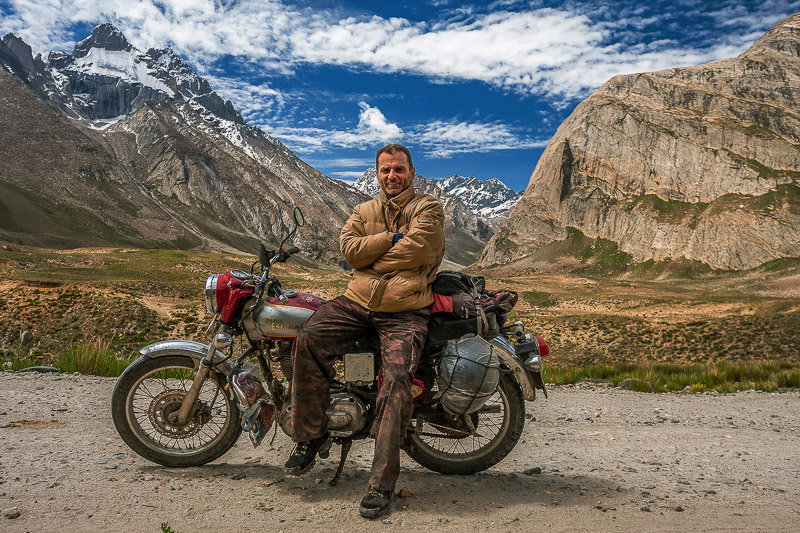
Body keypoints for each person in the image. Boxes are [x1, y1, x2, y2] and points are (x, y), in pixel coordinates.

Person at [285, 143, 445, 518]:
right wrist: (389, 240)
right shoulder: (363, 210)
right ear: (377, 173)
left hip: (404, 311)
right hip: (356, 303)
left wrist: (370, 261)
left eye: (399, 170)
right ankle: (311, 433)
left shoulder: (428, 208)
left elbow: (420, 250)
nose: (392, 176)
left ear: (412, 172)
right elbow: (349, 252)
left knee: (396, 379)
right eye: (386, 170)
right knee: (308, 339)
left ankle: (381, 482)